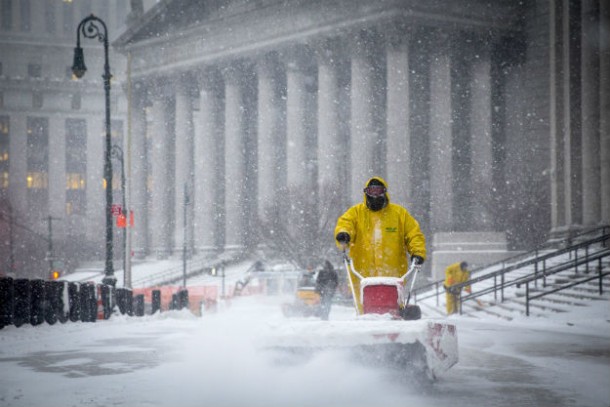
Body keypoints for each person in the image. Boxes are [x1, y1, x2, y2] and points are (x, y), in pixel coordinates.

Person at [334, 176, 426, 315]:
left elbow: (413, 234)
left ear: (384, 192)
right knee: (364, 307)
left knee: (393, 306)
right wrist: (343, 234)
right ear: (366, 192)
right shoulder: (355, 213)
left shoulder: (399, 214)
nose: (375, 195)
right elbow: (345, 223)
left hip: (393, 273)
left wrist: (417, 252)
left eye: (378, 191)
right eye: (372, 191)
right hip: (363, 274)